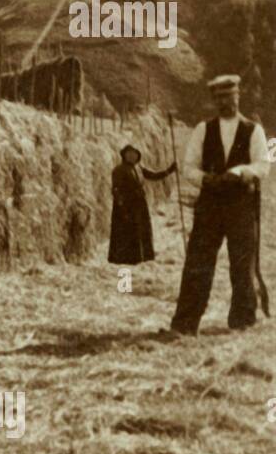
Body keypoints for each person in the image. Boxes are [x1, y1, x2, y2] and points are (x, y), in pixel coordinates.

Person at [169, 74, 270, 335]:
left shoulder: (253, 130)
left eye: (230, 96)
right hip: (210, 204)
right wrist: (206, 179)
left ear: (238, 96)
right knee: (198, 262)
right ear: (214, 100)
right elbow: (189, 167)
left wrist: (239, 172)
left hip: (241, 204)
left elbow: (263, 165)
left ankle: (243, 321)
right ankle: (185, 324)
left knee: (242, 263)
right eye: (220, 97)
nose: (225, 101)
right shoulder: (204, 129)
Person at [108, 140, 176, 266]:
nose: (132, 156)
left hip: (139, 204)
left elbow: (154, 175)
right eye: (129, 154)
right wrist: (121, 205)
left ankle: (142, 256)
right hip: (126, 206)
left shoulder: (139, 168)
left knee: (140, 229)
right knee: (126, 231)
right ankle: (124, 259)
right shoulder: (119, 170)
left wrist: (169, 170)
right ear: (124, 155)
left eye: (134, 154)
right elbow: (116, 189)